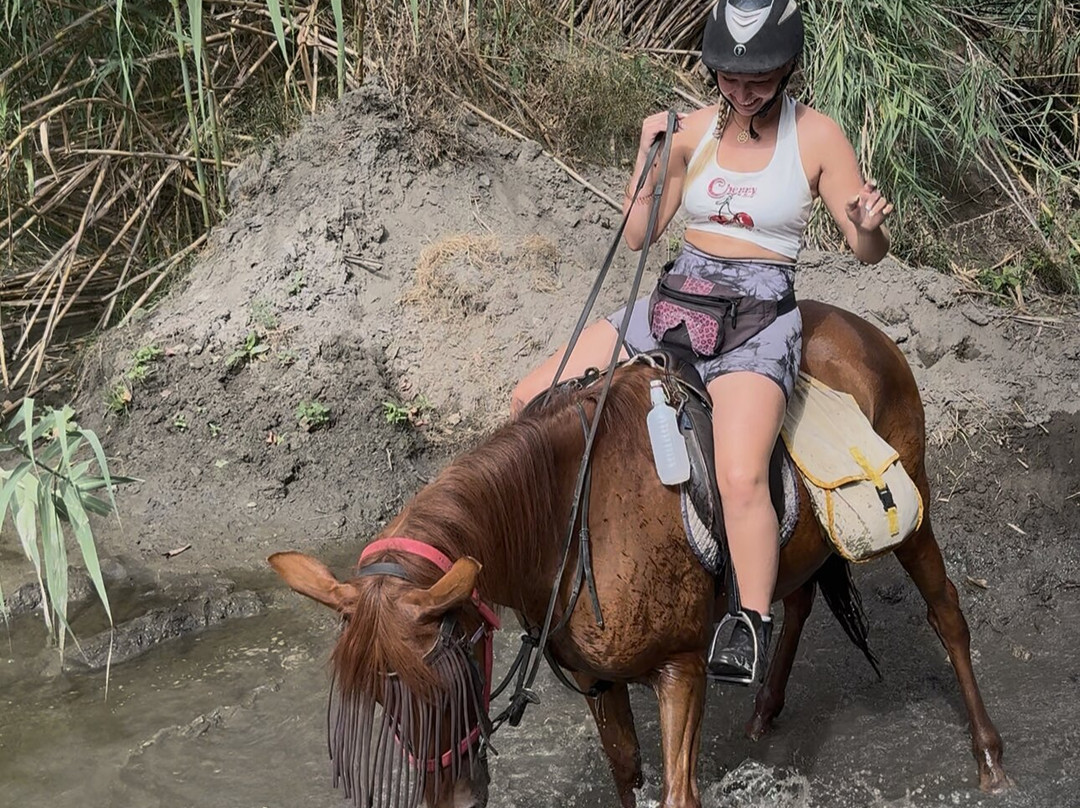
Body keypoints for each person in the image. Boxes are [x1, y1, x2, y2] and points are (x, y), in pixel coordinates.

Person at [510, 0, 894, 684]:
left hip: (758, 318)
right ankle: (543, 567)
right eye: (729, 78)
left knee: (741, 474)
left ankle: (749, 621)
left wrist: (867, 227)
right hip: (676, 300)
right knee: (529, 397)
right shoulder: (690, 130)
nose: (742, 92)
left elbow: (869, 251)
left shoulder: (815, 137)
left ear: (787, 68)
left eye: (759, 80)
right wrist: (649, 154)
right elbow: (638, 236)